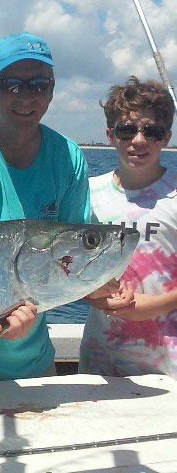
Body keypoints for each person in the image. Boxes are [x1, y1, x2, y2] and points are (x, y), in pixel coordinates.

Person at [0, 32, 128, 385]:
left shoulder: (68, 156)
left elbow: (72, 259)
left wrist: (102, 289)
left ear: (51, 90)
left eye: (38, 85)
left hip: (36, 360)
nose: (27, 96)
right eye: (12, 84)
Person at [79, 76, 177, 378]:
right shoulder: (87, 193)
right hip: (99, 358)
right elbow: (66, 268)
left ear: (166, 137)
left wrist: (151, 306)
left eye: (152, 131)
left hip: (167, 363)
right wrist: (92, 295)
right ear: (110, 135)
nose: (138, 140)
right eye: (126, 130)